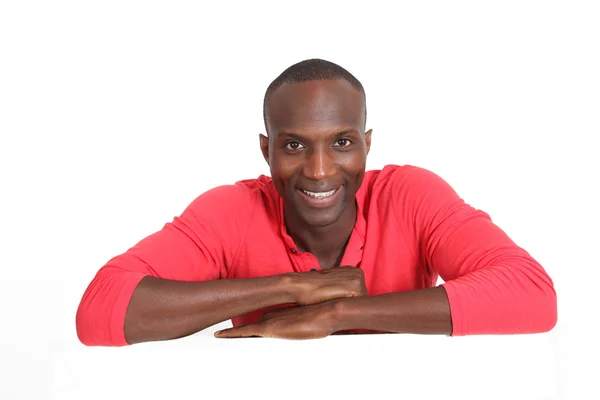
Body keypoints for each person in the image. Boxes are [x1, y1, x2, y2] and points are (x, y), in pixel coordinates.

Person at [76, 59, 557, 346]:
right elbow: (101, 311)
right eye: (294, 146)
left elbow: (532, 294)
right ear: (266, 149)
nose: (320, 170)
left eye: (342, 143)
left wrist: (338, 313)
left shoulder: (411, 196)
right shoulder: (229, 212)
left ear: (367, 143)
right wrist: (293, 288)